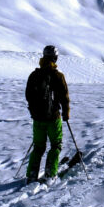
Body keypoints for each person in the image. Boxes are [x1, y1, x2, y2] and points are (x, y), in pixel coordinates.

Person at [25, 45, 70, 183]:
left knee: (38, 146)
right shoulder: (58, 76)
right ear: (55, 58)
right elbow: (64, 97)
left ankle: (32, 174)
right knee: (55, 145)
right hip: (53, 117)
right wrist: (66, 114)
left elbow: (28, 95)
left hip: (37, 118)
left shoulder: (34, 75)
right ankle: (50, 173)